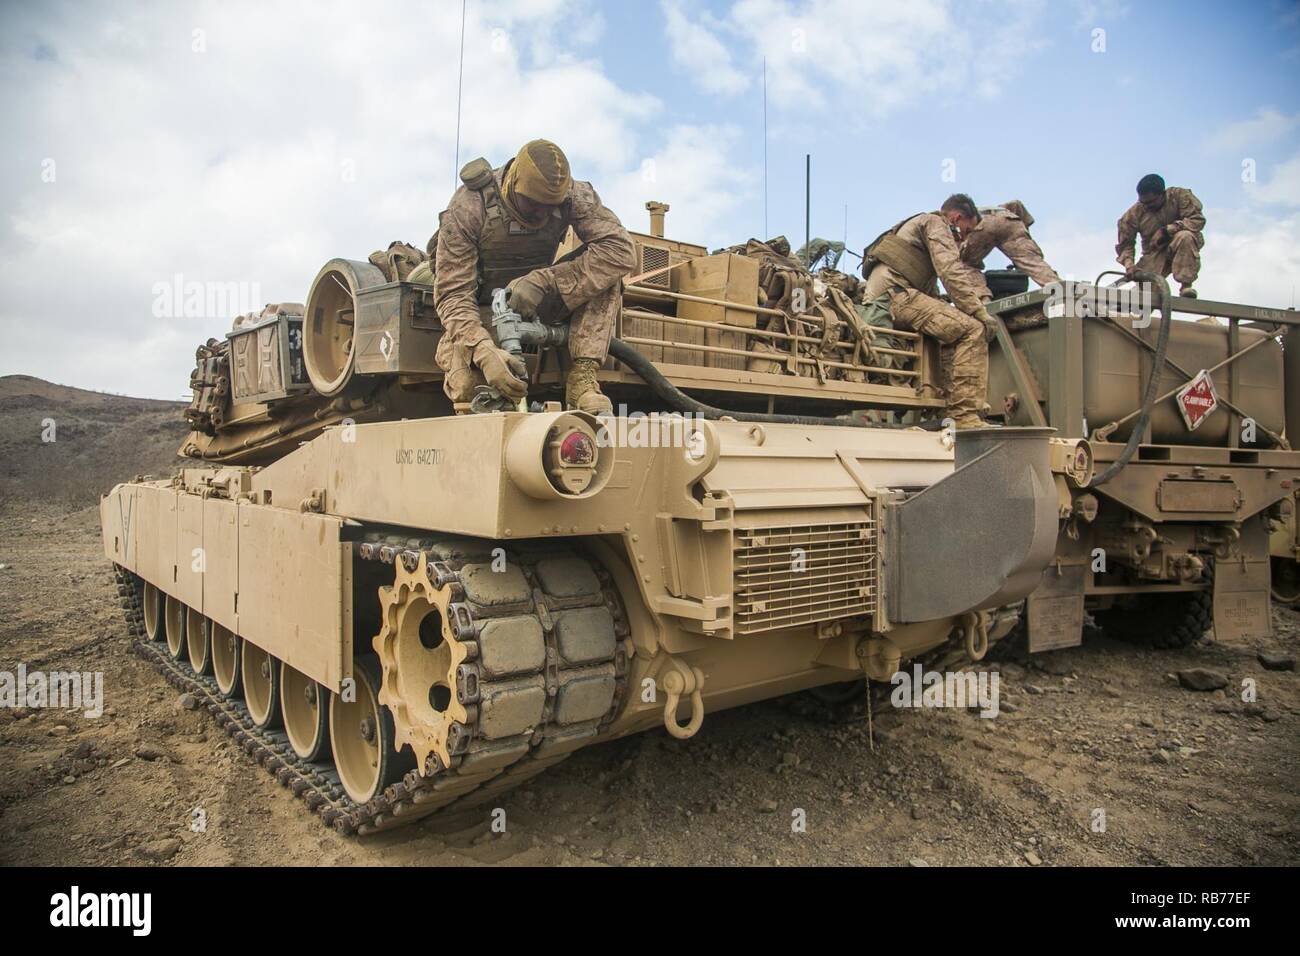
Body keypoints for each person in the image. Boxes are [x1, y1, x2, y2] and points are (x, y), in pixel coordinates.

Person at [432, 139, 635, 413]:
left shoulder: (573, 195)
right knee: (471, 389)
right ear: (513, 182)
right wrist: (483, 351)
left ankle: (582, 381)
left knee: (607, 273)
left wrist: (544, 280)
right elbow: (453, 295)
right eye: (533, 204)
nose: (542, 212)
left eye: (551, 205)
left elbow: (621, 251)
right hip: (483, 313)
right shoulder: (469, 206)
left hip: (540, 302)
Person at [861, 195, 998, 427]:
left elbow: (931, 292)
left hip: (888, 300)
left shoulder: (914, 226)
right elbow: (950, 272)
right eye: (967, 230)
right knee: (973, 330)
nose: (965, 238)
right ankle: (963, 415)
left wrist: (956, 309)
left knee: (949, 332)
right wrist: (979, 311)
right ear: (956, 217)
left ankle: (946, 406)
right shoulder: (935, 223)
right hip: (895, 297)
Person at [945, 197, 1060, 301]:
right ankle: (1057, 286)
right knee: (1031, 262)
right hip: (1008, 219)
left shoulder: (948, 222)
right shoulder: (985, 210)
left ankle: (983, 300)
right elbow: (1017, 205)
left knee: (963, 262)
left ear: (957, 218)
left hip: (985, 227)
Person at [1116, 173, 1205, 298]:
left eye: (1151, 202)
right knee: (1146, 297)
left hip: (1180, 244)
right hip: (1153, 253)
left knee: (1185, 236)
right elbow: (1126, 244)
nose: (1147, 206)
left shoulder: (1179, 196)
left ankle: (1186, 286)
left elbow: (1196, 220)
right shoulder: (1133, 214)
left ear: (1162, 194)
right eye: (1143, 202)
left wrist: (1167, 231)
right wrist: (1129, 265)